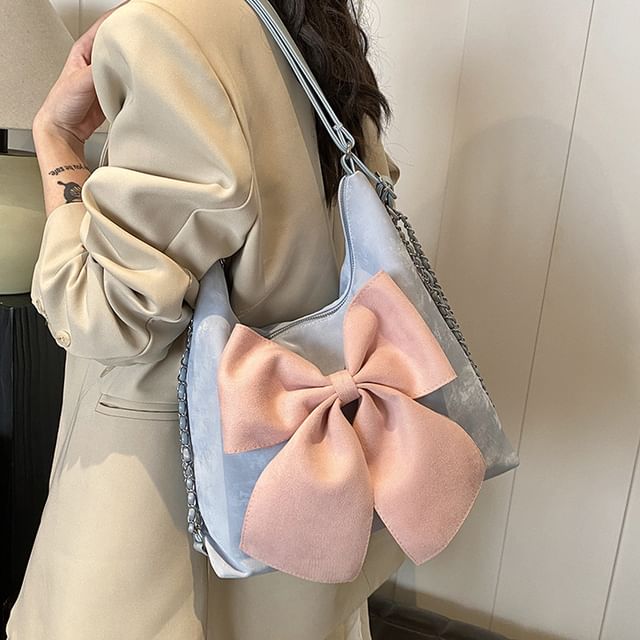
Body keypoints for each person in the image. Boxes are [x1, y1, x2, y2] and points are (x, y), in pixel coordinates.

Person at [6, 0, 405, 637]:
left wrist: (56, 138)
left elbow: (102, 312)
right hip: (298, 474)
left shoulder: (165, 29)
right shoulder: (306, 29)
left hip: (159, 494)